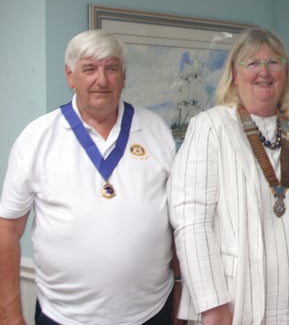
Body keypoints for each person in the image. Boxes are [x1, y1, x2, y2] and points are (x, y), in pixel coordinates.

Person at [0, 30, 177, 325]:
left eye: (111, 68)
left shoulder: (157, 130)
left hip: (151, 313)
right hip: (63, 317)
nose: (102, 80)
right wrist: (8, 314)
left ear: (123, 75)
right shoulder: (37, 137)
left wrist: (182, 295)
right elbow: (7, 229)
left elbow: (179, 222)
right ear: (70, 76)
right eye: (90, 69)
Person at [168, 27, 289, 325]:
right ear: (234, 73)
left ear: (286, 72)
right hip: (240, 305)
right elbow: (191, 223)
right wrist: (212, 305)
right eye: (252, 63)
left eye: (274, 62)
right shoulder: (209, 127)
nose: (264, 72)